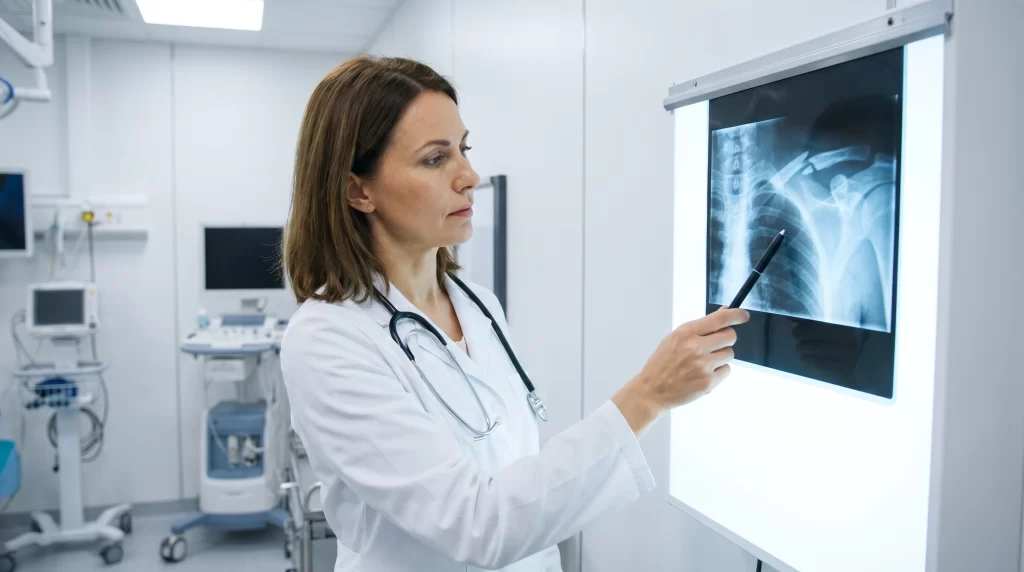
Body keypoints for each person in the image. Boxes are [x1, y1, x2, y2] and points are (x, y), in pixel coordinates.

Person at [279, 55, 749, 572]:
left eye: (463, 149)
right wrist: (649, 394)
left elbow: (519, 487)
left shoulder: (479, 305)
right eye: (434, 159)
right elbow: (474, 524)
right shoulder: (327, 339)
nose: (469, 176)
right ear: (358, 190)